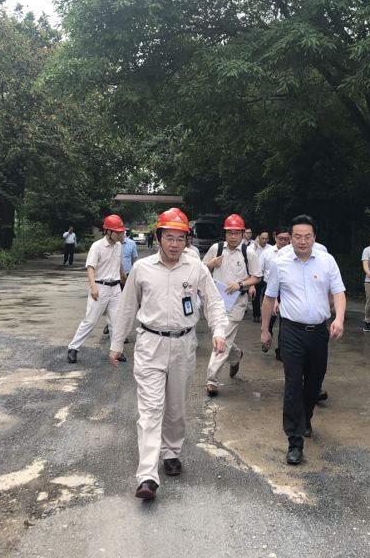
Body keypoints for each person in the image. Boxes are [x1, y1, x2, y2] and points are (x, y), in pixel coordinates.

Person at [108, 208, 228, 500]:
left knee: (176, 407)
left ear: (187, 240)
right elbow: (127, 307)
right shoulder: (142, 269)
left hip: (184, 344)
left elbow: (213, 302)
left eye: (180, 238)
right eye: (169, 238)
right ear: (159, 237)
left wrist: (219, 331)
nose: (174, 244)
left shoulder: (196, 268)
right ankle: (147, 476)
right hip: (151, 344)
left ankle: (172, 451)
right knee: (150, 411)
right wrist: (116, 343)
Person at [260, 215, 345, 465]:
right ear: (290, 238)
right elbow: (269, 298)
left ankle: (306, 416)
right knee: (293, 384)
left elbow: (339, 292)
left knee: (314, 382)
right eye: (297, 236)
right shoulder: (280, 263)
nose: (302, 241)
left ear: (314, 238)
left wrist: (339, 319)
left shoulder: (327, 261)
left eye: (307, 236)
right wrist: (265, 330)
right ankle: (294, 441)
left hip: (319, 331)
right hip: (291, 332)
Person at [203, 213, 262, 395]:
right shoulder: (216, 248)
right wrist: (211, 264)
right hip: (215, 302)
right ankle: (235, 356)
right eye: (230, 233)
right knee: (221, 336)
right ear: (225, 233)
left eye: (237, 233)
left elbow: (257, 277)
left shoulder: (248, 253)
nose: (233, 236)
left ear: (243, 233)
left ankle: (211, 380)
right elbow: (200, 270)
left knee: (224, 338)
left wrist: (240, 284)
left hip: (236, 302)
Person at [66, 214, 127, 364]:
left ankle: (117, 350)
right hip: (100, 287)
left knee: (116, 321)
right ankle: (73, 348)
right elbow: (90, 267)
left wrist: (125, 281)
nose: (120, 235)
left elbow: (119, 266)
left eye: (121, 232)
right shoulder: (97, 246)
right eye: (117, 232)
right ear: (108, 231)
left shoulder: (119, 246)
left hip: (115, 289)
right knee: (90, 320)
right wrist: (93, 287)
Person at [259, 227, 291, 360]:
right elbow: (259, 271)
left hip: (286, 290)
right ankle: (267, 337)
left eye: (286, 239)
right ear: (275, 237)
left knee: (285, 323)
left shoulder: (294, 255)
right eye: (281, 238)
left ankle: (281, 351)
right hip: (269, 288)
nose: (283, 241)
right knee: (269, 319)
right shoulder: (267, 253)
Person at [251, 231, 269, 322]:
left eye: (266, 239)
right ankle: (256, 314)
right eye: (263, 238)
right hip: (256, 274)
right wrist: (254, 248)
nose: (264, 240)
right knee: (256, 295)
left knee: (267, 296)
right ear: (259, 238)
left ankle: (266, 315)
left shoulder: (270, 248)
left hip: (267, 275)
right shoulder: (252, 247)